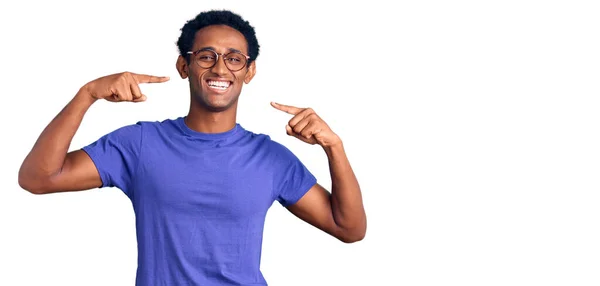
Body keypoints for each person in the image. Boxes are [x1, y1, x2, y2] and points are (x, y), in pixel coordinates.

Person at [18, 9, 366, 286]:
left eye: (234, 59)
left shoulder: (271, 158)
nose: (219, 68)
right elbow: (39, 178)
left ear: (249, 71)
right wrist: (87, 94)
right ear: (184, 66)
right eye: (206, 56)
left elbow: (350, 229)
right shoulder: (140, 144)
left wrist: (334, 147)